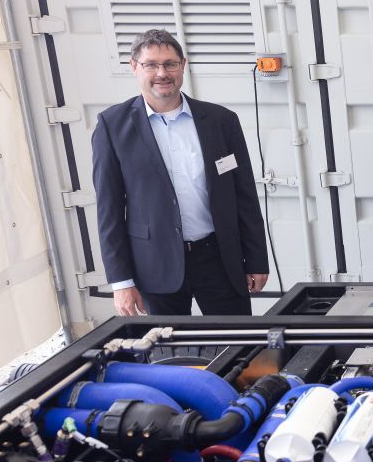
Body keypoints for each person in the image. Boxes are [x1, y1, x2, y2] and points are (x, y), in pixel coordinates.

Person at [93, 29, 268, 315]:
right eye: (151, 65)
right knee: (168, 344)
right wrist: (121, 282)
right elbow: (108, 211)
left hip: (219, 258)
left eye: (170, 64)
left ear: (183, 65)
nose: (162, 73)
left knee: (236, 339)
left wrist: (257, 258)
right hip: (155, 265)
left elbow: (244, 195)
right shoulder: (112, 127)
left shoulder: (221, 121)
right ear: (134, 67)